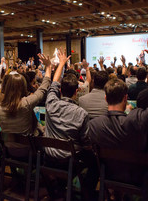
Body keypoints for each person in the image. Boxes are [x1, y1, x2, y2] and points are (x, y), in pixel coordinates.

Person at [89, 38, 148, 188]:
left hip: (109, 175)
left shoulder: (93, 125)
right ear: (125, 98)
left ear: (105, 98)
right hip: (140, 178)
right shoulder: (139, 119)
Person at [45, 49, 97, 199]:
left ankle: (60, 187)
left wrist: (61, 64)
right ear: (76, 92)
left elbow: (54, 82)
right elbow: (86, 142)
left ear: (60, 91)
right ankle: (87, 195)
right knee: (95, 163)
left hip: (49, 158)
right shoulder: (81, 113)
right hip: (70, 162)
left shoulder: (50, 103)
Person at [0, 54, 51, 136]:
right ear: (23, 87)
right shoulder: (26, 103)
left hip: (8, 147)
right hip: (29, 147)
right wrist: (48, 67)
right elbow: (43, 89)